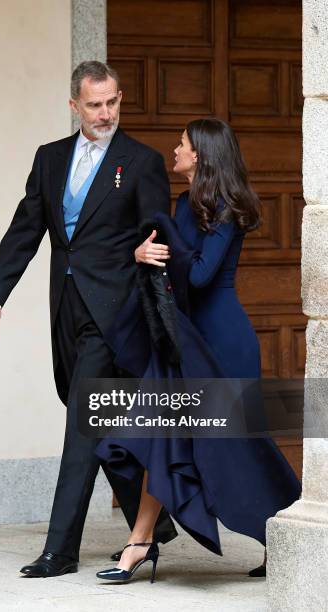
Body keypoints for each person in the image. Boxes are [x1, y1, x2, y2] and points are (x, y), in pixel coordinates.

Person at [0, 61, 178, 578]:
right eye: (95, 104)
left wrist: (152, 308)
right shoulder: (49, 159)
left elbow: (158, 241)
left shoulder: (142, 162)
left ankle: (60, 549)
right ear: (75, 105)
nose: (106, 112)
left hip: (116, 316)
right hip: (64, 311)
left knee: (82, 425)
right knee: (103, 422)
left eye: (113, 101)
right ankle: (152, 525)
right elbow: (25, 231)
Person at [95, 118, 301, 583]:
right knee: (160, 434)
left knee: (246, 450)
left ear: (201, 155)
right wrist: (141, 255)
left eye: (182, 144)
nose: (175, 150)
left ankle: (285, 539)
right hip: (185, 340)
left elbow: (203, 274)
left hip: (224, 343)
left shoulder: (227, 207)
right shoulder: (185, 202)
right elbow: (170, 260)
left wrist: (166, 232)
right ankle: (140, 542)